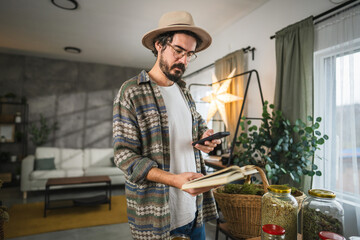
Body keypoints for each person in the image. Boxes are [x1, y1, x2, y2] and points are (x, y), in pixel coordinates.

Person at [113, 11, 220, 240]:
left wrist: (206, 136)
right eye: (178, 51)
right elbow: (124, 156)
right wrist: (175, 180)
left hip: (194, 211)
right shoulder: (131, 92)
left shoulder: (184, 91)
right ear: (159, 45)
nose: (184, 60)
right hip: (157, 219)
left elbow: (197, 125)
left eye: (190, 54)